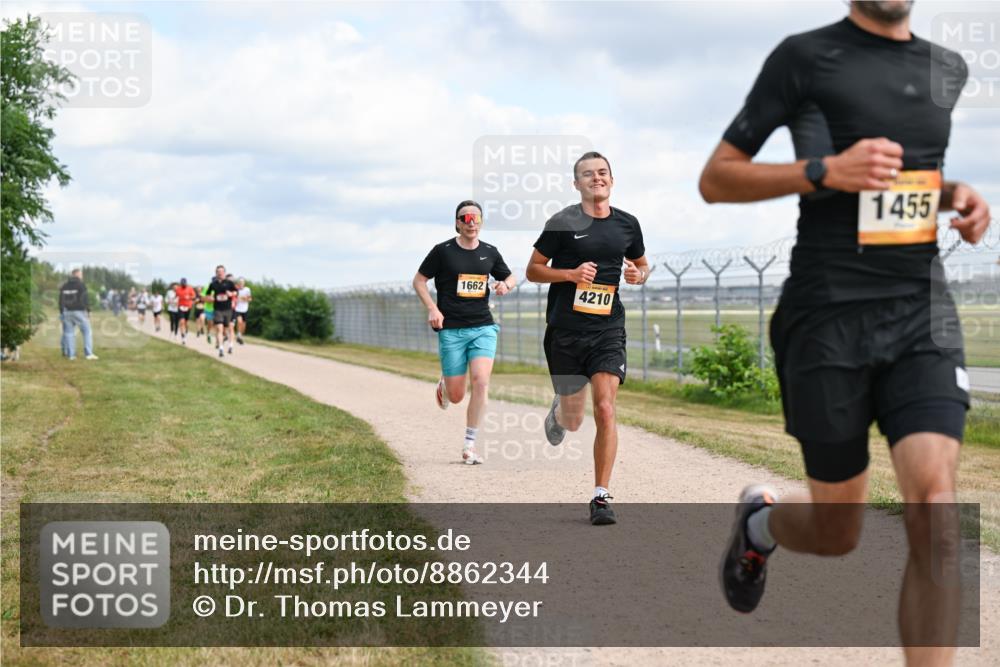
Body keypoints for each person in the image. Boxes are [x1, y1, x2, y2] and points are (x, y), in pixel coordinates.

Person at [698, 2, 991, 662]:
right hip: (827, 316)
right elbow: (716, 178)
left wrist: (956, 196)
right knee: (837, 530)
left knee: (938, 516)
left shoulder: (946, 66)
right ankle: (761, 523)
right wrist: (824, 170)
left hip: (919, 311)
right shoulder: (804, 57)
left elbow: (908, 181)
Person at [525, 152, 650, 525]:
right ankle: (559, 412)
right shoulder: (562, 223)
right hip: (565, 331)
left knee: (606, 408)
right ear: (576, 183)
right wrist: (570, 274)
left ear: (612, 179)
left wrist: (638, 276)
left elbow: (642, 265)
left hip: (607, 330)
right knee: (574, 419)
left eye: (602, 172)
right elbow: (533, 270)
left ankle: (600, 496)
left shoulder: (628, 224)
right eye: (588, 174)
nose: (597, 178)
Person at [413, 200, 515, 465]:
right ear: (457, 223)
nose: (471, 223)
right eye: (465, 218)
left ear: (481, 222)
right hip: (452, 329)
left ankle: (469, 445)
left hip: (483, 327)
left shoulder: (490, 252)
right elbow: (419, 281)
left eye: (476, 218)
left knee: (481, 381)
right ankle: (446, 386)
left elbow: (510, 277)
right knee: (457, 396)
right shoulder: (443, 251)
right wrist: (433, 308)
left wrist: (505, 285)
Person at [59, 269, 98, 361]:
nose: (82, 276)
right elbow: (85, 298)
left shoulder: (64, 286)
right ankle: (88, 353)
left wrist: (61, 312)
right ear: (77, 275)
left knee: (69, 334)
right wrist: (88, 310)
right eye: (81, 274)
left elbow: (60, 300)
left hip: (67, 311)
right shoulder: (81, 285)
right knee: (87, 332)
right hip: (79, 311)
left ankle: (71, 355)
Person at [206, 265, 238, 358]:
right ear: (216, 273)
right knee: (219, 328)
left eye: (221, 271)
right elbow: (208, 294)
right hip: (218, 309)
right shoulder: (213, 284)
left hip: (228, 309)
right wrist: (210, 298)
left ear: (224, 272)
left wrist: (231, 293)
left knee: (228, 328)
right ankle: (221, 349)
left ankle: (230, 345)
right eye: (218, 272)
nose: (220, 273)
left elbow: (236, 292)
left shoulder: (229, 283)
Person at [175, 278, 197, 345]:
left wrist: (189, 297)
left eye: (184, 284)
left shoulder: (190, 288)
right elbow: (176, 296)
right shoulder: (178, 289)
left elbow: (194, 296)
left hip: (188, 307)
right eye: (182, 284)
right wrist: (173, 300)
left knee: (186, 323)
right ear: (181, 284)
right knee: (182, 322)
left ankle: (186, 331)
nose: (183, 285)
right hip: (180, 307)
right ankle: (183, 337)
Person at [234, 277, 252, 344]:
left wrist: (244, 298)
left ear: (244, 283)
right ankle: (238, 335)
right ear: (238, 283)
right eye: (240, 282)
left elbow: (250, 299)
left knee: (243, 327)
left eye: (242, 282)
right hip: (237, 309)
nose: (241, 283)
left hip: (245, 309)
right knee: (239, 322)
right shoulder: (236, 289)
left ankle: (239, 336)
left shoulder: (247, 289)